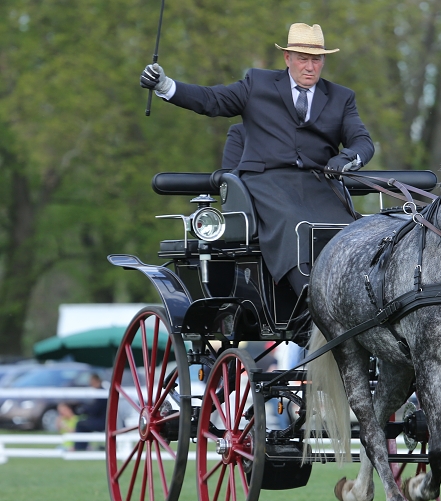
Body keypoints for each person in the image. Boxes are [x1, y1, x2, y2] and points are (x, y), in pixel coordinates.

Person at [140, 23, 375, 297]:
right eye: (303, 59)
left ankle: (358, 296)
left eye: (316, 59)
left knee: (347, 231)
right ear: (288, 58)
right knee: (296, 224)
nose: (310, 67)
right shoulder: (257, 83)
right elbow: (211, 100)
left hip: (320, 184)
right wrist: (166, 85)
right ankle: (313, 297)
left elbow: (362, 141)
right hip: (266, 181)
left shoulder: (341, 97)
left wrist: (346, 157)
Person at [73, 374, 108, 451]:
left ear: (96, 380)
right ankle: (82, 446)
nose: (90, 383)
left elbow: (95, 410)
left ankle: (80, 447)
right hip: (102, 420)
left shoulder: (101, 393)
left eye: (91, 381)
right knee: (83, 423)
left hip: (102, 422)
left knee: (80, 424)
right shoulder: (101, 391)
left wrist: (84, 409)